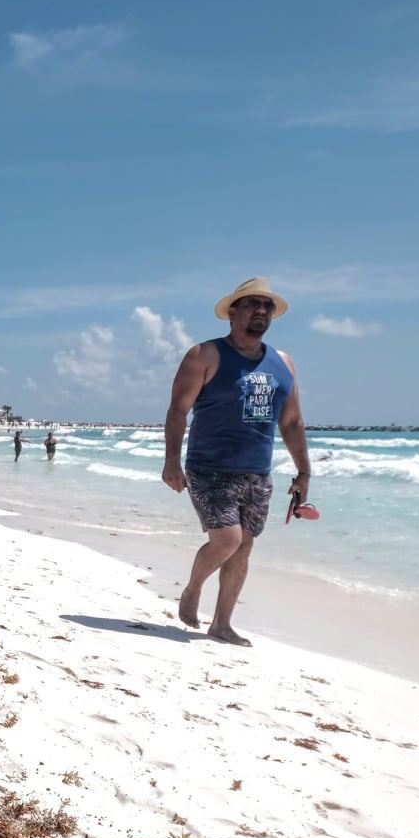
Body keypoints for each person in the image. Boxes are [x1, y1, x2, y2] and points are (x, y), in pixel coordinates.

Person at [162, 277, 311, 647]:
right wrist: (171, 461)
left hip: (257, 473)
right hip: (209, 467)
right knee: (228, 539)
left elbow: (291, 422)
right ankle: (193, 588)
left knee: (243, 548)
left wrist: (304, 471)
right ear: (232, 312)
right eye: (251, 304)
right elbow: (178, 410)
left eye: (267, 306)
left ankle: (222, 624)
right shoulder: (205, 355)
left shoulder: (284, 363)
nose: (261, 311)